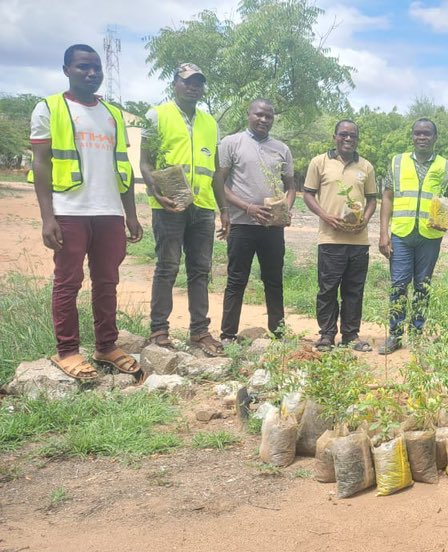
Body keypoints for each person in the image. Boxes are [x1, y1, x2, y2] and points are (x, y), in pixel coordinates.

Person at [29, 44, 143, 379]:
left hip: (109, 211)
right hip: (69, 210)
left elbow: (123, 166)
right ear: (66, 69)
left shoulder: (112, 114)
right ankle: (67, 352)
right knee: (68, 282)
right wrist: (47, 217)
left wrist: (131, 214)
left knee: (108, 281)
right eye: (83, 67)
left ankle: (106, 346)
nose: (91, 73)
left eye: (96, 68)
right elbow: (41, 164)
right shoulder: (49, 108)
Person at [141, 63, 227, 357]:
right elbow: (145, 162)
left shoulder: (210, 123)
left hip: (202, 207)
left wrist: (223, 209)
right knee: (167, 267)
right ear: (175, 83)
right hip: (169, 206)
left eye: (199, 83)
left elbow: (215, 170)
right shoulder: (157, 115)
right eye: (188, 82)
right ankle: (159, 331)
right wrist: (156, 192)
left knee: (200, 270)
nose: (193, 87)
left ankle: (200, 332)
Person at [217, 99, 296, 342]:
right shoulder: (231, 143)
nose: (264, 120)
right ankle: (228, 335)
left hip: (271, 228)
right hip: (242, 224)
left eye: (269, 116)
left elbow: (291, 186)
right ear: (248, 114)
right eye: (259, 115)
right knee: (236, 279)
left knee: (273, 279)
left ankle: (278, 332)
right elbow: (219, 183)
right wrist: (248, 208)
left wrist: (285, 209)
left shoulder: (281, 149)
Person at [378, 118, 448, 354]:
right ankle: (394, 335)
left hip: (430, 236)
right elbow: (388, 198)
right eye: (418, 133)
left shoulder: (447, 166)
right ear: (412, 136)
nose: (422, 138)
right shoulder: (397, 162)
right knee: (399, 285)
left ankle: (417, 333)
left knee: (423, 286)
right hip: (401, 233)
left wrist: (446, 218)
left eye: (427, 134)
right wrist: (383, 233)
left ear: (435, 137)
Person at [302, 119, 378, 352]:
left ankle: (351, 335)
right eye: (343, 134)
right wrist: (326, 216)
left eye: (353, 135)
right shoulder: (319, 162)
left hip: (358, 240)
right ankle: (326, 335)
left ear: (357, 139)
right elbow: (308, 194)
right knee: (327, 289)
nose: (348, 139)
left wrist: (364, 219)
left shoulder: (366, 166)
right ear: (334, 136)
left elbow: (372, 199)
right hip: (330, 239)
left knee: (354, 289)